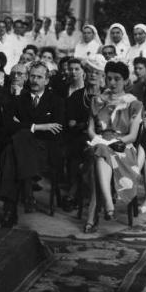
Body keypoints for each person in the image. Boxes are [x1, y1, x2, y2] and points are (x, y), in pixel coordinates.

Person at [0, 61, 65, 227]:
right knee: (15, 145)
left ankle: (9, 209)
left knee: (13, 146)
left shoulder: (56, 101)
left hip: (44, 150)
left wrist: (23, 125)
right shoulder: (20, 99)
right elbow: (6, 124)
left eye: (39, 77)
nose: (35, 80)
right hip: (26, 153)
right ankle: (26, 190)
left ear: (47, 80)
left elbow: (56, 131)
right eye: (32, 76)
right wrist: (38, 126)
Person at [84, 61, 142, 233]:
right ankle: (108, 202)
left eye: (117, 79)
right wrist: (98, 139)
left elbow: (132, 135)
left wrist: (115, 142)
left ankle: (94, 213)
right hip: (100, 142)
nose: (112, 82)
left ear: (125, 80)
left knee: (99, 156)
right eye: (109, 78)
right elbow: (90, 129)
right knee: (99, 151)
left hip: (122, 146)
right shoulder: (98, 100)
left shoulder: (134, 103)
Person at [62, 55, 105, 212]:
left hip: (103, 137)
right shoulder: (77, 96)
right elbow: (70, 123)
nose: (93, 75)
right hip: (79, 137)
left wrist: (87, 125)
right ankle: (88, 190)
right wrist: (86, 125)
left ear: (102, 76)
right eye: (89, 71)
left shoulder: (107, 96)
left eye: (97, 72)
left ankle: (75, 190)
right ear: (85, 74)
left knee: (96, 148)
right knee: (81, 147)